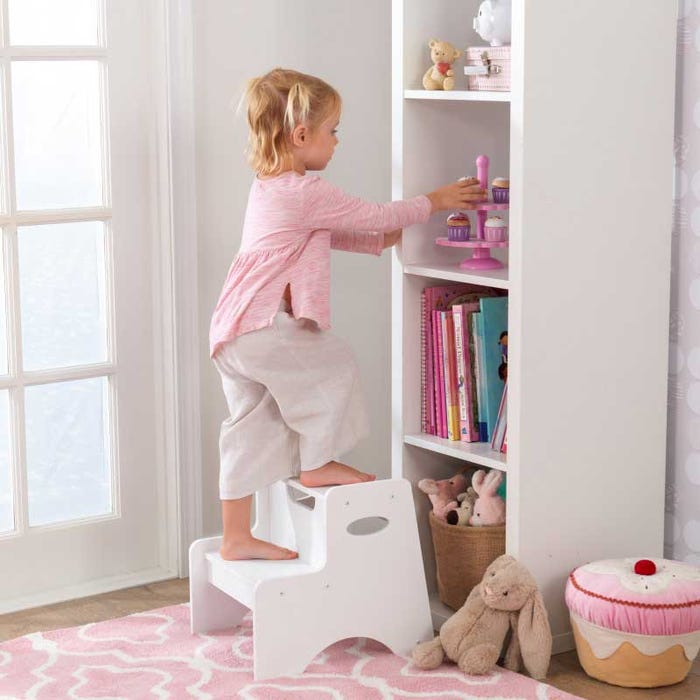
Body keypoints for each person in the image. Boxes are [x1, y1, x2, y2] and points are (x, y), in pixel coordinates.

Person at [210, 68, 485, 561]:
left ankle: (235, 535)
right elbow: (372, 215)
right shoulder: (306, 191)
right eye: (332, 131)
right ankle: (318, 462)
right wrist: (434, 201)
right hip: (263, 324)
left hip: (233, 331)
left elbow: (326, 234)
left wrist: (382, 239)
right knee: (334, 367)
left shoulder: (269, 188)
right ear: (301, 136)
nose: (337, 141)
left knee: (250, 427)